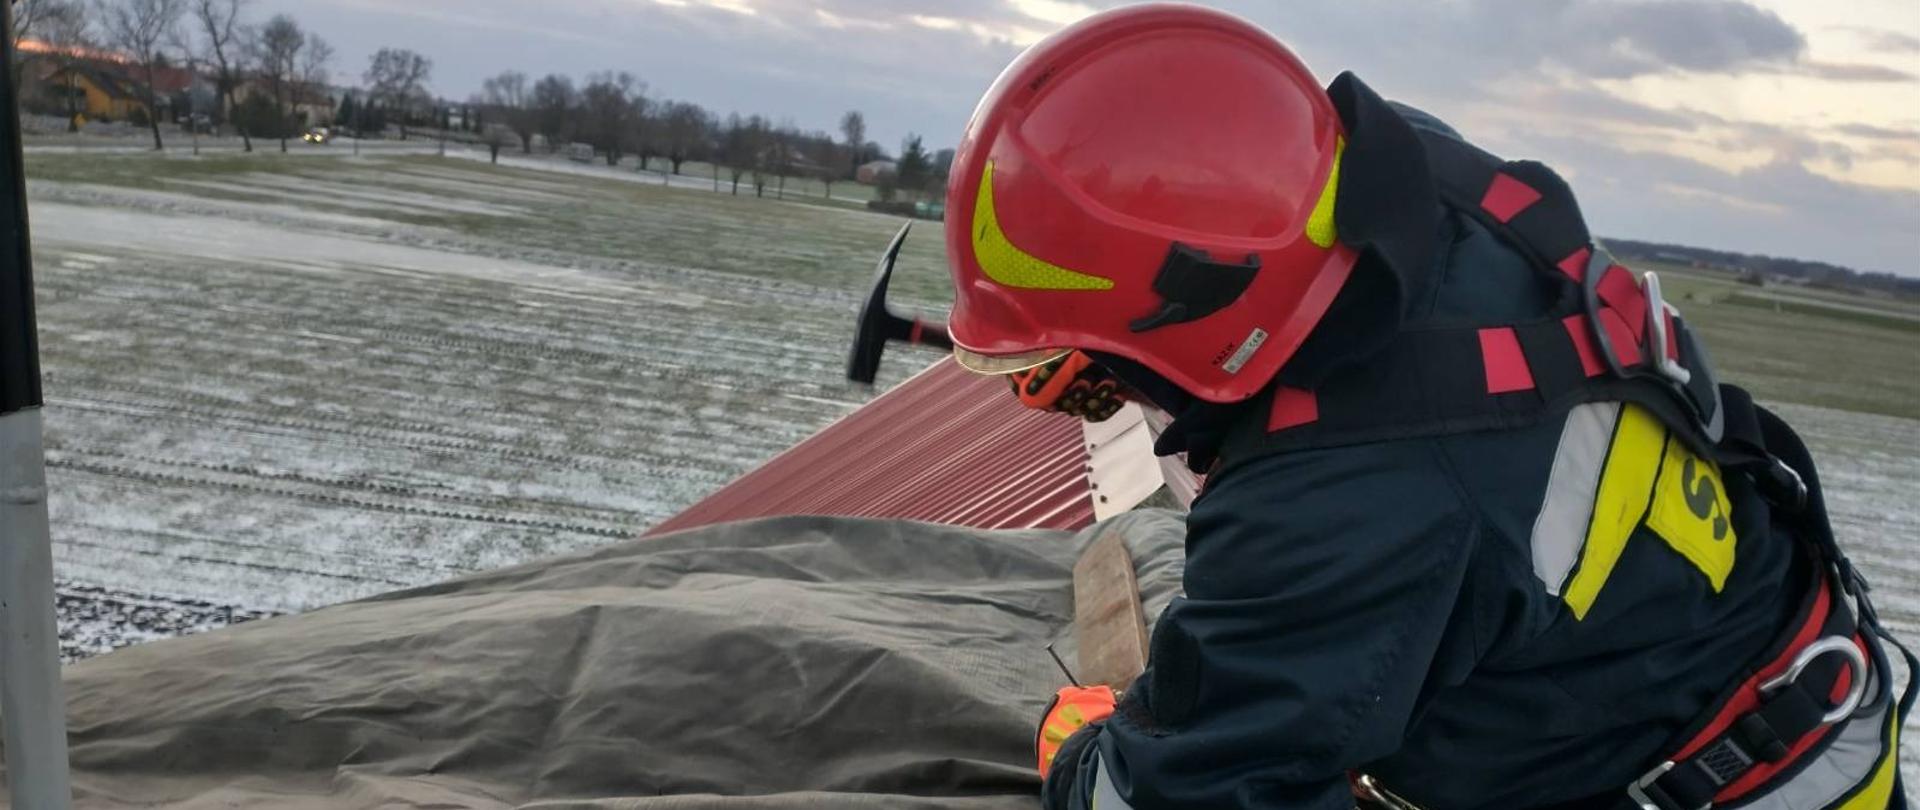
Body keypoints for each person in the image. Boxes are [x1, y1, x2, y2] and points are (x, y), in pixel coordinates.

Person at [936, 5, 1912, 809]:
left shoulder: (1346, 499)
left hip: (1741, 780)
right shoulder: (1391, 186)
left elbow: (1187, 792)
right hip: (1760, 683)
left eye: (1101, 371)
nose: (1094, 394)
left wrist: (1087, 759)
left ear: (1199, 320)